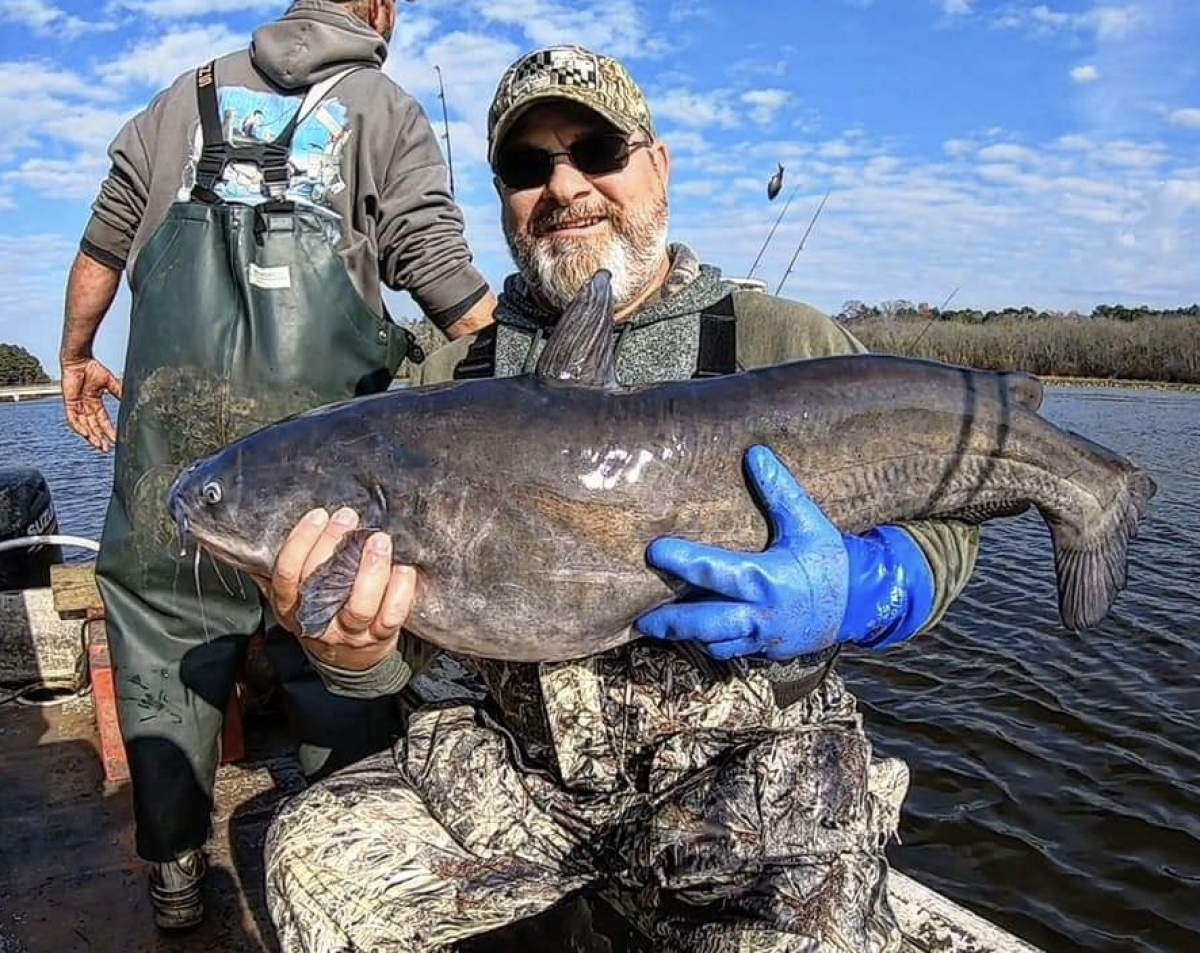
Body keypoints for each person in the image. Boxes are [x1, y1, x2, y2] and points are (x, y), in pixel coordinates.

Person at [258, 45, 981, 952]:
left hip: (749, 784)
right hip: (511, 783)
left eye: (596, 150)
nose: (565, 188)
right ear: (503, 198)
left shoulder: (786, 344)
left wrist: (874, 586)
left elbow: (954, 515)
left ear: (657, 164)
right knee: (312, 864)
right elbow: (394, 664)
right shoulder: (442, 380)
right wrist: (350, 651)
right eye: (527, 168)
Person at [57, 0, 497, 932]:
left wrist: (76, 350)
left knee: (165, 638)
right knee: (340, 633)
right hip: (333, 468)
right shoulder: (385, 106)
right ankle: (346, 852)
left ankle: (175, 869)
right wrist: (516, 371)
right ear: (379, 10)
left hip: (175, 451)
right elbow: (431, 256)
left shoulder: (182, 96)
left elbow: (105, 237)